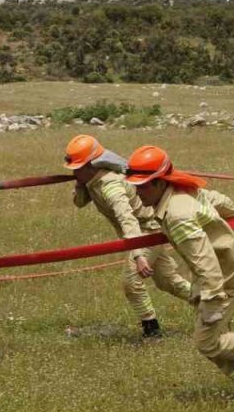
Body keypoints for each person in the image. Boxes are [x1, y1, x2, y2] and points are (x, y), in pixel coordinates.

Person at [125, 145, 234, 401]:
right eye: (136, 186)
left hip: (222, 281)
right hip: (217, 278)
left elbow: (204, 261)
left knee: (208, 342)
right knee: (216, 340)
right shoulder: (180, 192)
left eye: (144, 186)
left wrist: (213, 299)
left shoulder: (177, 215)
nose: (138, 192)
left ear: (161, 182)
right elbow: (214, 199)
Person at [64, 134, 192, 338]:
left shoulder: (110, 186)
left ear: (90, 166)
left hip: (148, 232)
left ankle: (152, 331)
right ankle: (211, 305)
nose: (73, 171)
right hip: (141, 234)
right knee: (167, 282)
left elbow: (127, 219)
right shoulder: (91, 181)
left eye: (77, 168)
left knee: (132, 283)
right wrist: (79, 184)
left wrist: (139, 255)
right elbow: (79, 203)